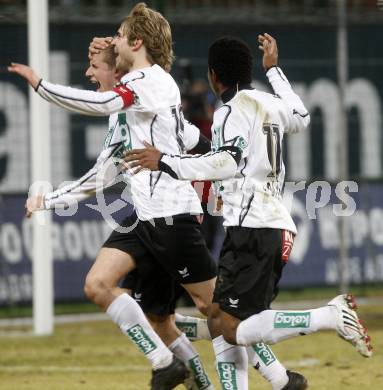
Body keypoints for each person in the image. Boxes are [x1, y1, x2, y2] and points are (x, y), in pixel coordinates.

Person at [122, 33, 373, 388]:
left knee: (233, 328)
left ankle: (328, 316)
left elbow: (229, 159)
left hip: (254, 227)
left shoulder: (229, 111)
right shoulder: (266, 102)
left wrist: (167, 162)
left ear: (213, 76)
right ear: (246, 70)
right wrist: (274, 70)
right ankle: (282, 378)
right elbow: (301, 115)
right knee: (220, 321)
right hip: (268, 222)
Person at [9, 3, 220, 389]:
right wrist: (51, 201)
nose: (89, 73)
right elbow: (105, 172)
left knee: (219, 312)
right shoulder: (130, 108)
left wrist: (42, 85)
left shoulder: (146, 86)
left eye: (94, 66)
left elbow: (111, 109)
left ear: (121, 66)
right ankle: (168, 365)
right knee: (103, 287)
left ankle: (303, 335)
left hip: (172, 216)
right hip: (145, 217)